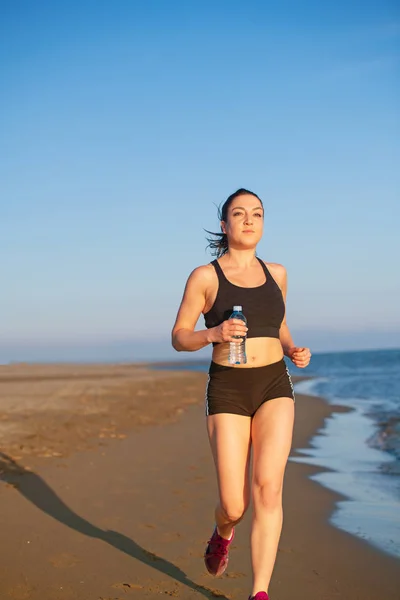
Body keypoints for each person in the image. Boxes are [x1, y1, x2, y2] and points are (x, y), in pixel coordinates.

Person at [171, 188, 311, 600]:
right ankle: (223, 532)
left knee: (268, 487)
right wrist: (212, 333)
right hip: (228, 388)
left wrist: (291, 348)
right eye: (239, 213)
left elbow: (278, 322)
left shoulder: (278, 273)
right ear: (224, 224)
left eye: (257, 213)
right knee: (235, 505)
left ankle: (260, 592)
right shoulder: (205, 276)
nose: (249, 220)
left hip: (274, 383)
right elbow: (179, 337)